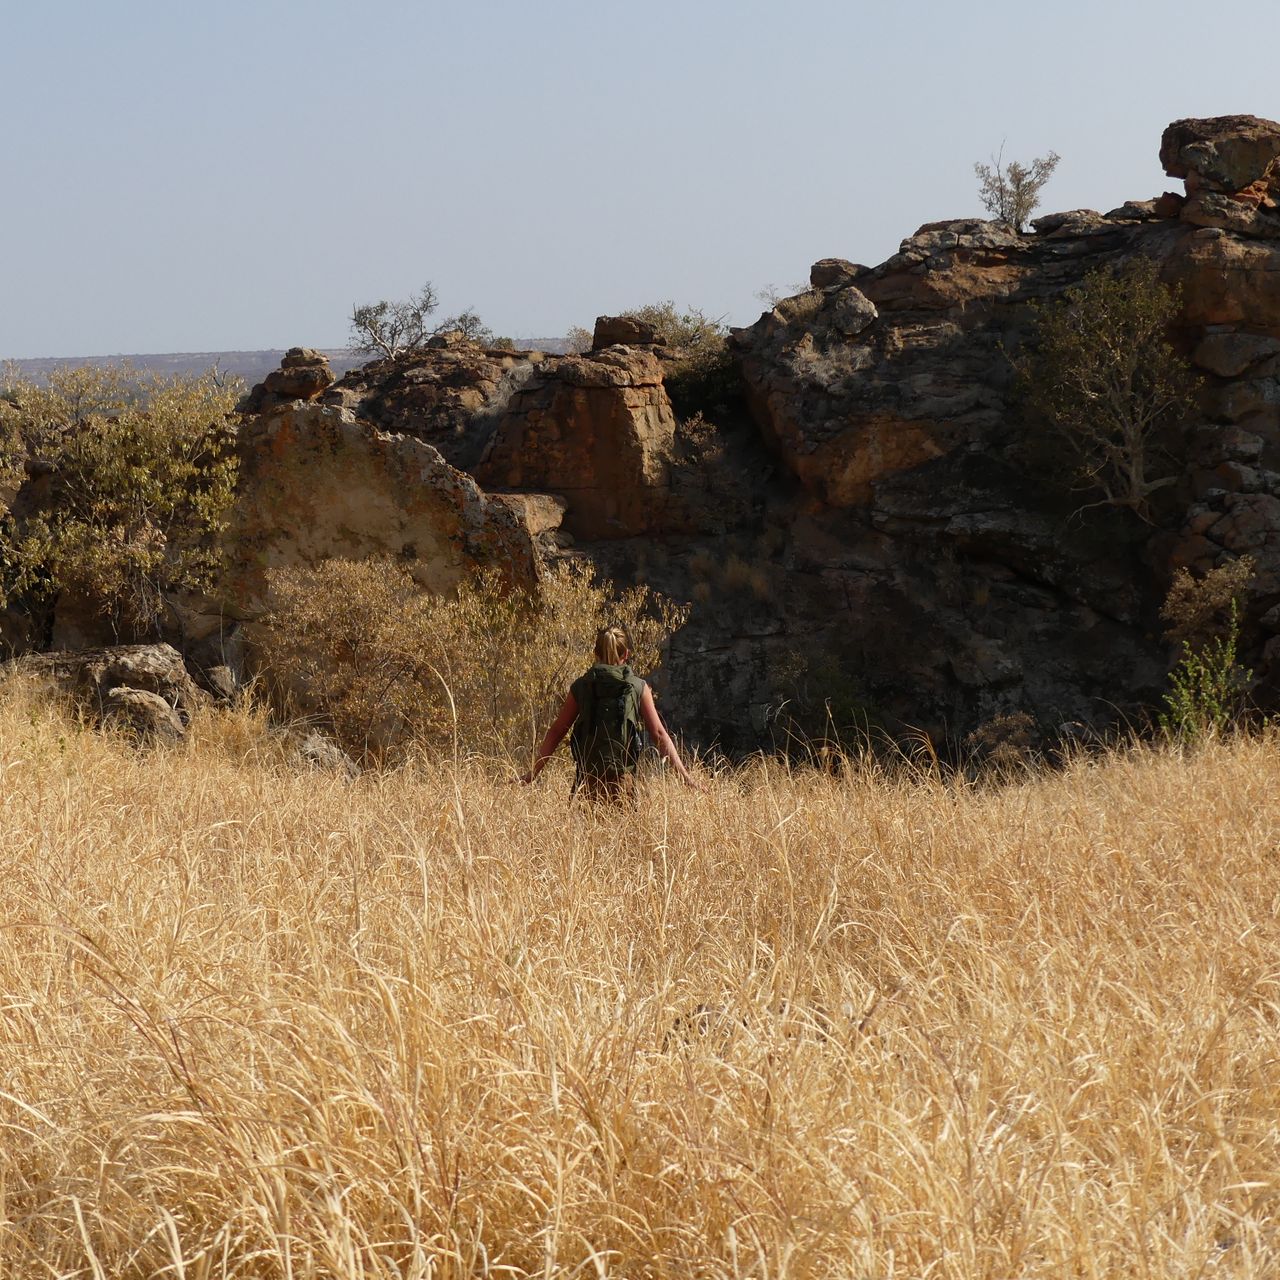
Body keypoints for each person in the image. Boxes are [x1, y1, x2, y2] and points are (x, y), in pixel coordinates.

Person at [520, 623, 703, 798]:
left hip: (588, 780)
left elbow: (557, 731)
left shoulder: (582, 686)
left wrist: (532, 773)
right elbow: (658, 734)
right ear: (626, 654)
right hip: (623, 780)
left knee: (587, 830)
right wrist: (686, 778)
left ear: (595, 654)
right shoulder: (638, 687)